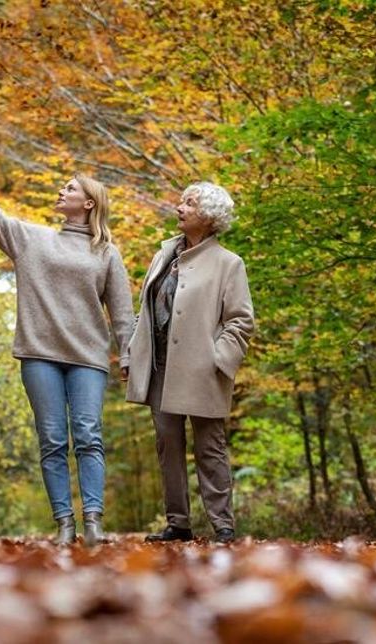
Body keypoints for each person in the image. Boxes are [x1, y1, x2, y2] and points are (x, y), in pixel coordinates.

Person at [0, 141, 134, 546]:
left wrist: (129, 357)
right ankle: (65, 524)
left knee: (88, 436)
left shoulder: (106, 253)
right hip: (39, 355)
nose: (61, 192)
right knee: (52, 439)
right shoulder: (30, 239)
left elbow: (122, 314)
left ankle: (94, 523)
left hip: (87, 359)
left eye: (70, 188)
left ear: (88, 204)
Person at [125, 182, 254, 544]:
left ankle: (223, 526)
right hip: (159, 367)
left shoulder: (229, 263)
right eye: (182, 201)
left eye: (190, 203)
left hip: (204, 369)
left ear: (210, 217)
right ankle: (178, 523)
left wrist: (219, 358)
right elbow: (145, 312)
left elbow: (241, 320)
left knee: (210, 447)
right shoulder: (164, 254)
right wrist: (132, 355)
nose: (180, 207)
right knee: (168, 446)